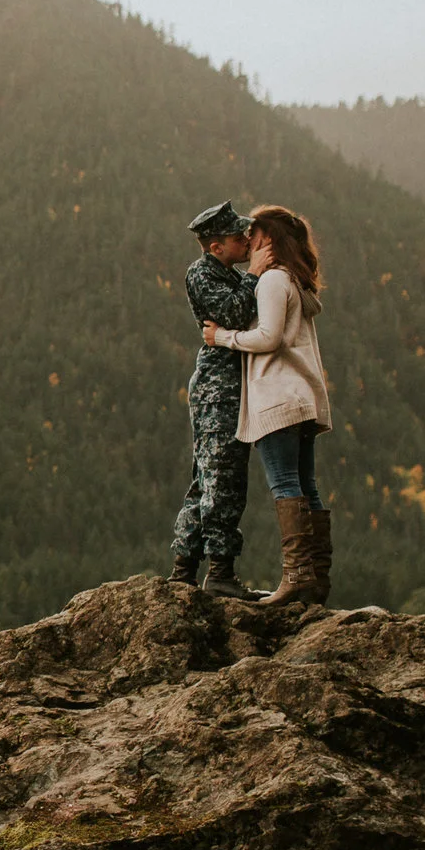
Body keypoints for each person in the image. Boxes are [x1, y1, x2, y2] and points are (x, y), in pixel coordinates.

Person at [201, 204, 332, 606]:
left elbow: (269, 337)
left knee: (286, 485)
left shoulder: (273, 281)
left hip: (277, 398)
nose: (248, 239)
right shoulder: (296, 281)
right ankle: (316, 578)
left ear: (269, 239)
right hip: (303, 397)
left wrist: (223, 337)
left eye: (255, 234)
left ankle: (295, 577)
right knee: (307, 486)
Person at [169, 202, 260, 598]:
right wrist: (256, 276)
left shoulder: (224, 273)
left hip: (224, 385)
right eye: (238, 238)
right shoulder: (203, 274)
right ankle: (219, 572)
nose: (246, 242)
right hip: (218, 387)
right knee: (223, 476)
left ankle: (183, 569)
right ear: (216, 246)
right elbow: (236, 314)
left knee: (206, 477)